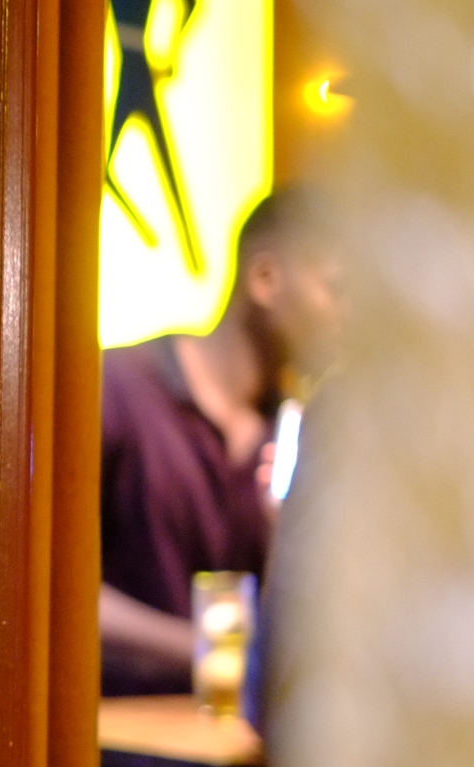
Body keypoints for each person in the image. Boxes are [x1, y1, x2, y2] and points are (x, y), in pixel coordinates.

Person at [101, 187, 345, 695]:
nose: (349, 317)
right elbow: (44, 588)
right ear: (264, 279)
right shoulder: (118, 388)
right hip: (114, 734)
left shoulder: (297, 436)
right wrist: (209, 650)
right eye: (336, 289)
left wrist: (289, 534)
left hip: (238, 739)